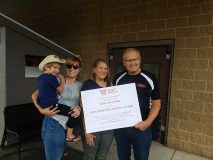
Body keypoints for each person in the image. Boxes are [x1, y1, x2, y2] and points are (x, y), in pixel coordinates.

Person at [113, 48, 161, 160]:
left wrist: (148, 122)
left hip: (142, 128)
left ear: (140, 60)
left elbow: (156, 102)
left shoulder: (150, 77)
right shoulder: (118, 78)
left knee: (142, 157)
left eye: (135, 59)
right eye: (128, 60)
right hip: (122, 128)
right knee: (123, 157)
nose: (132, 63)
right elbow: (113, 100)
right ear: (124, 63)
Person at [32, 55, 82, 160]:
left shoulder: (81, 85)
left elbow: (83, 102)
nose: (72, 68)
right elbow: (34, 95)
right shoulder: (56, 81)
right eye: (69, 66)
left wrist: (79, 108)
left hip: (66, 126)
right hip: (54, 123)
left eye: (75, 66)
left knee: (56, 156)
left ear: (79, 69)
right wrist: (41, 110)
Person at [81, 58, 114, 160]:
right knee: (89, 156)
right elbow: (84, 110)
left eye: (105, 68)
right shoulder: (87, 85)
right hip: (92, 127)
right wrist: (87, 131)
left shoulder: (111, 85)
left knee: (102, 156)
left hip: (108, 128)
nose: (104, 70)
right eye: (101, 68)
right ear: (94, 70)